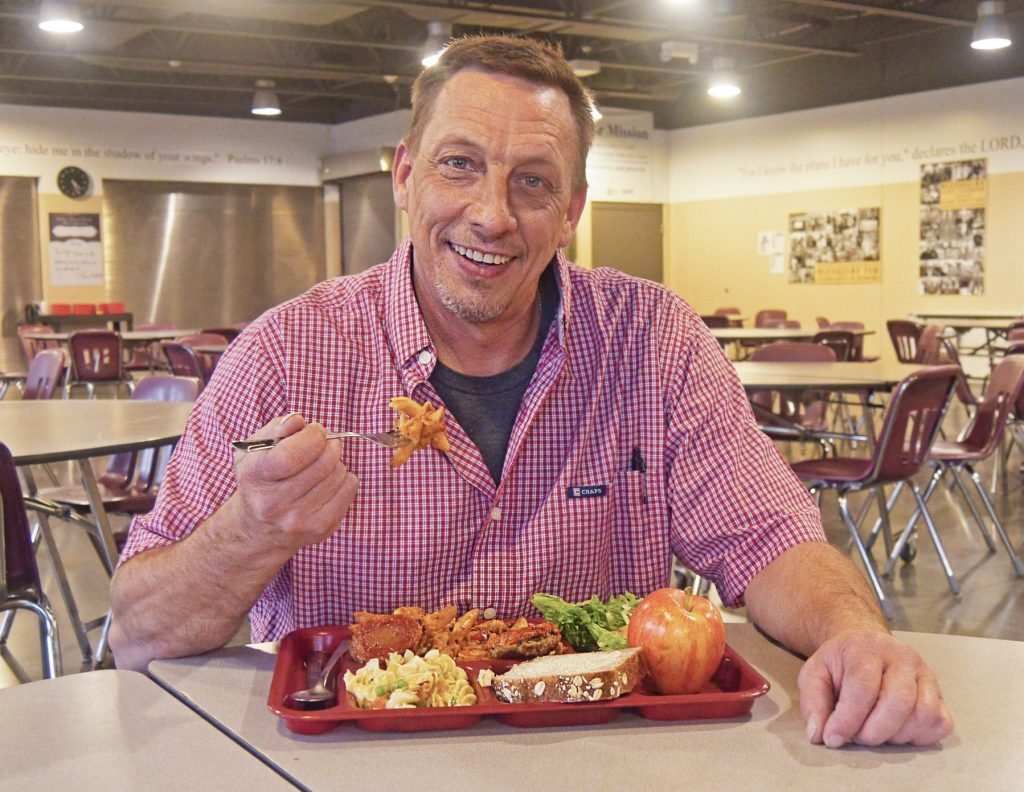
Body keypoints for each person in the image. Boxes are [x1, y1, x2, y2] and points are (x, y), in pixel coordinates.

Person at [108, 34, 953, 750]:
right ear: (404, 176)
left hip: (598, 765)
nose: (492, 215)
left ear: (574, 206)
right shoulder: (287, 354)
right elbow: (138, 636)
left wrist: (857, 636)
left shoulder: (651, 341)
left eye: (533, 182)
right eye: (459, 166)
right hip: (359, 769)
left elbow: (770, 540)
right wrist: (248, 533)